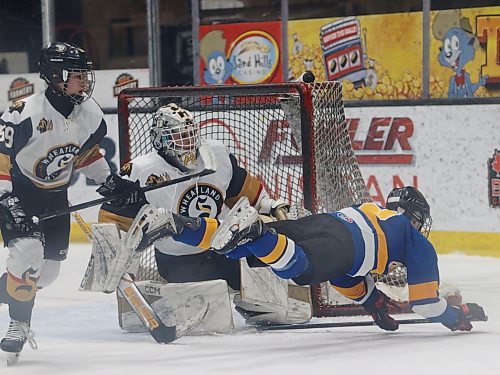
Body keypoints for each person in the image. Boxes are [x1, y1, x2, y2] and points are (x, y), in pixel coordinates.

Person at [130, 186, 486, 332]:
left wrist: (372, 301)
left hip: (327, 223)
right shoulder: (414, 240)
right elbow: (425, 304)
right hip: (348, 244)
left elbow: (345, 274)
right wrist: (458, 316)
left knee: (235, 247)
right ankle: (259, 232)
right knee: (301, 270)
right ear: (414, 217)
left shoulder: (375, 210)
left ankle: (176, 225)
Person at [0, 42, 141, 361]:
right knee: (27, 253)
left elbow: (87, 155)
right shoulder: (25, 112)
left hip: (55, 196)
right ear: (54, 75)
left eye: (84, 75)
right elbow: (1, 159)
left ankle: (12, 291)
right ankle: (18, 325)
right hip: (19, 192)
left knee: (45, 274)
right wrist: (7, 201)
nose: (85, 81)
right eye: (76, 75)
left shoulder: (89, 115)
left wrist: (109, 181)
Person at [98, 103, 289, 292]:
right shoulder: (141, 171)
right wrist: (114, 259)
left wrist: (269, 207)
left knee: (262, 286)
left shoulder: (217, 155)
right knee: (207, 308)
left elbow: (242, 191)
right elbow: (115, 220)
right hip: (179, 261)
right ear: (160, 139)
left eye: (191, 134)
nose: (189, 142)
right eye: (181, 136)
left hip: (224, 250)